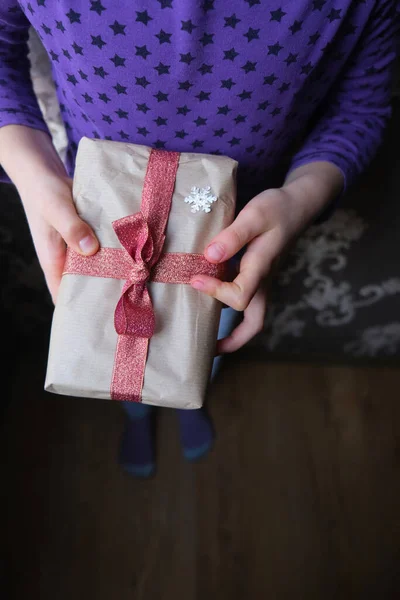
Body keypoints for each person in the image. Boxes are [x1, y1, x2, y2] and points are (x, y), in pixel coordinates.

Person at [0, 0, 398, 477]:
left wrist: (301, 199)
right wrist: (31, 173)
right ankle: (137, 412)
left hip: (231, 252)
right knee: (100, 353)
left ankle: (186, 400)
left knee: (203, 347)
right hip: (95, 237)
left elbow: (362, 105)